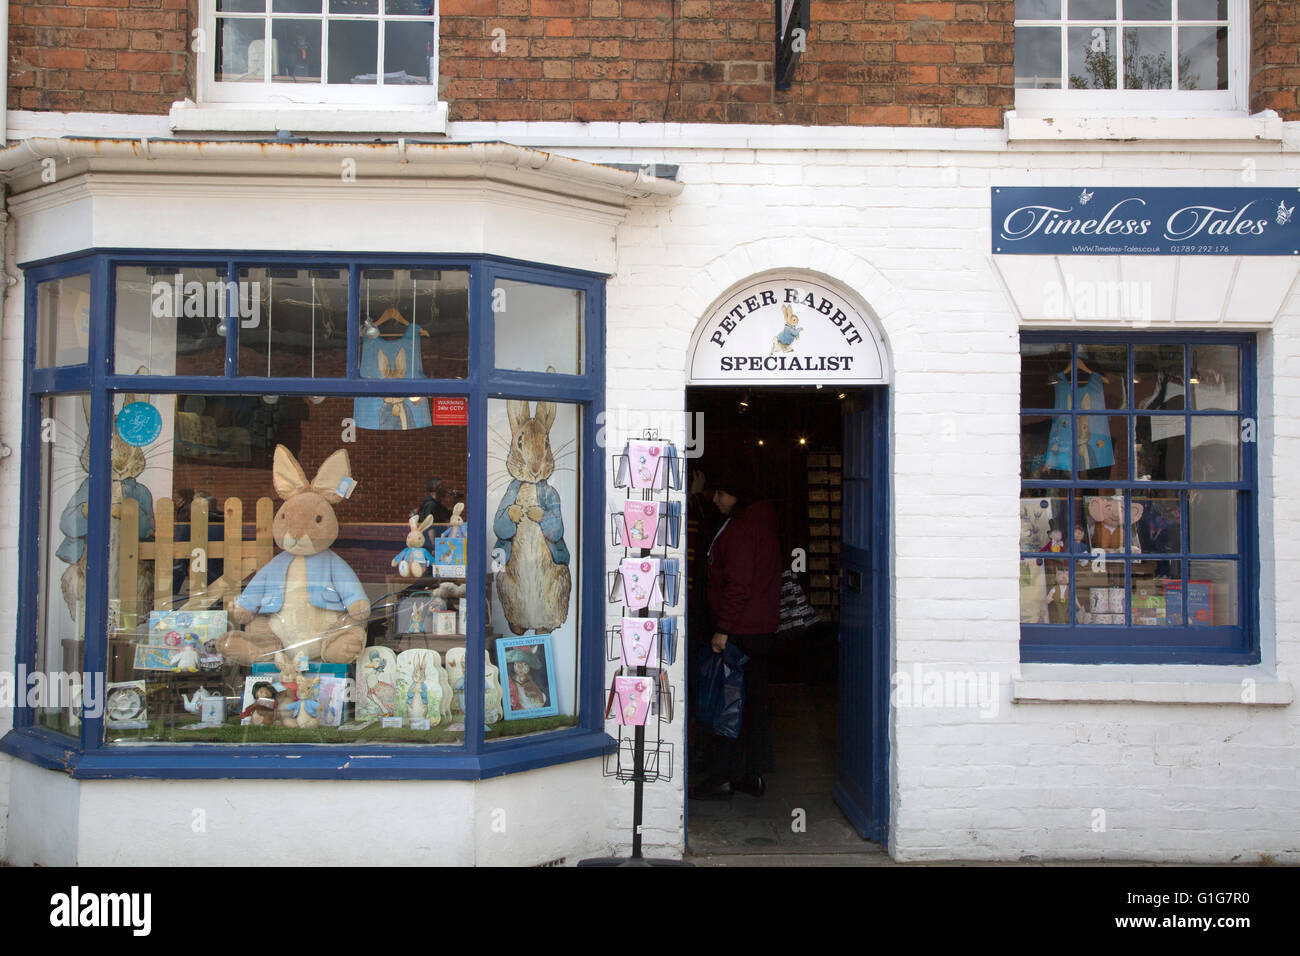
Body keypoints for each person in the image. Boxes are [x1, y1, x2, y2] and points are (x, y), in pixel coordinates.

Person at [692, 463, 782, 800]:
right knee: (754, 704)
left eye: (721, 493)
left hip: (740, 631)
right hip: (759, 630)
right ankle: (753, 775)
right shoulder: (762, 520)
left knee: (726, 702)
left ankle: (723, 775)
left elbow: (738, 585)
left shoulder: (744, 528)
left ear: (737, 495)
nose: (715, 498)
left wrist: (722, 629)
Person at [418, 478, 451, 550]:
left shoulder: (438, 505)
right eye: (442, 486)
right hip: (430, 546)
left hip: (438, 543)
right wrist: (434, 546)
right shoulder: (431, 505)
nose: (444, 488)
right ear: (435, 488)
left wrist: (456, 501)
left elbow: (451, 516)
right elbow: (430, 526)